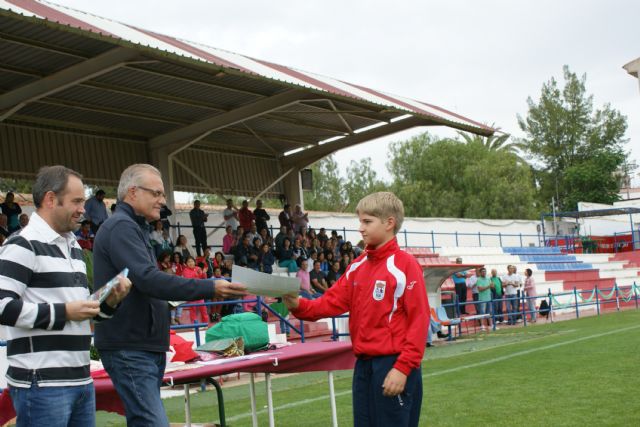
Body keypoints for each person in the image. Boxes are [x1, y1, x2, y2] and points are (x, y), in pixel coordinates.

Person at [92, 163, 247, 426]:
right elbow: (148, 280)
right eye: (157, 193)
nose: (162, 201)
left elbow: (146, 284)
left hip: (144, 344)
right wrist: (210, 286)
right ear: (132, 192)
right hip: (130, 346)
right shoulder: (121, 227)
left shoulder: (134, 228)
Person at [0, 165, 131, 427]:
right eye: (77, 201)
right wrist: (65, 311)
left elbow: (83, 315)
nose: (83, 208)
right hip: (41, 384)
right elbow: (3, 307)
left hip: (80, 379)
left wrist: (110, 302)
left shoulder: (72, 247)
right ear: (51, 199)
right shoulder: (21, 244)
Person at [284, 192, 429, 427]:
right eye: (360, 221)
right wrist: (298, 305)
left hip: (393, 364)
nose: (360, 228)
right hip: (363, 365)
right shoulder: (357, 266)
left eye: (367, 222)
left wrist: (402, 368)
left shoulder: (405, 265)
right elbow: (329, 302)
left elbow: (419, 321)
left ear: (389, 223)